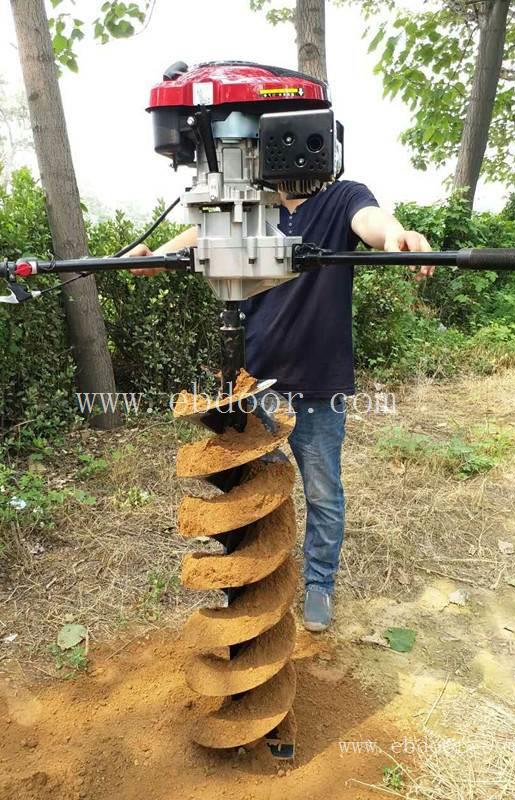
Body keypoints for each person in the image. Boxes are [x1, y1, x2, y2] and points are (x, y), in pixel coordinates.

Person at [128, 180, 433, 632]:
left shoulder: (342, 199)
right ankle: (256, 580)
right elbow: (205, 233)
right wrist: (157, 256)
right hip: (256, 386)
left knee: (323, 492)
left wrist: (394, 235)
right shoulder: (250, 203)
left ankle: (319, 583)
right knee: (253, 493)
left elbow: (370, 220)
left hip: (318, 388)